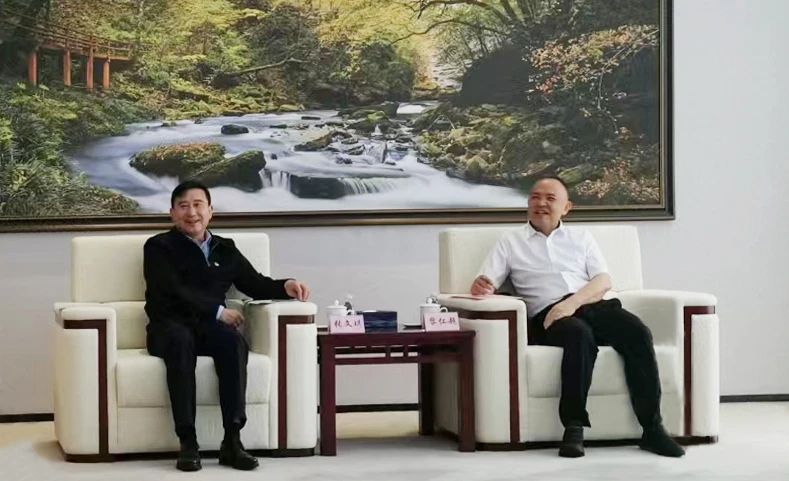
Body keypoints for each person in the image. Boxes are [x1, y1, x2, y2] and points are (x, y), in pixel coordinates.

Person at [470, 176, 684, 458]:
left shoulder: (581, 238)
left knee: (637, 332)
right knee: (579, 335)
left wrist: (571, 304)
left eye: (550, 198)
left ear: (567, 207)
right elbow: (487, 282)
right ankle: (574, 427)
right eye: (535, 197)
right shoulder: (510, 242)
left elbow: (603, 281)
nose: (541, 203)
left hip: (591, 304)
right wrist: (482, 286)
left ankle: (653, 429)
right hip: (548, 315)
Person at [144, 180, 310, 472]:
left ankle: (232, 441)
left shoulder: (225, 248)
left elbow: (255, 284)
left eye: (198, 205)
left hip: (209, 328)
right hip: (169, 326)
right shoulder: (159, 246)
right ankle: (188, 442)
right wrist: (217, 312)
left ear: (211, 211)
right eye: (183, 206)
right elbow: (169, 291)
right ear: (172, 213)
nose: (191, 213)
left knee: (234, 342)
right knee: (181, 342)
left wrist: (286, 285)